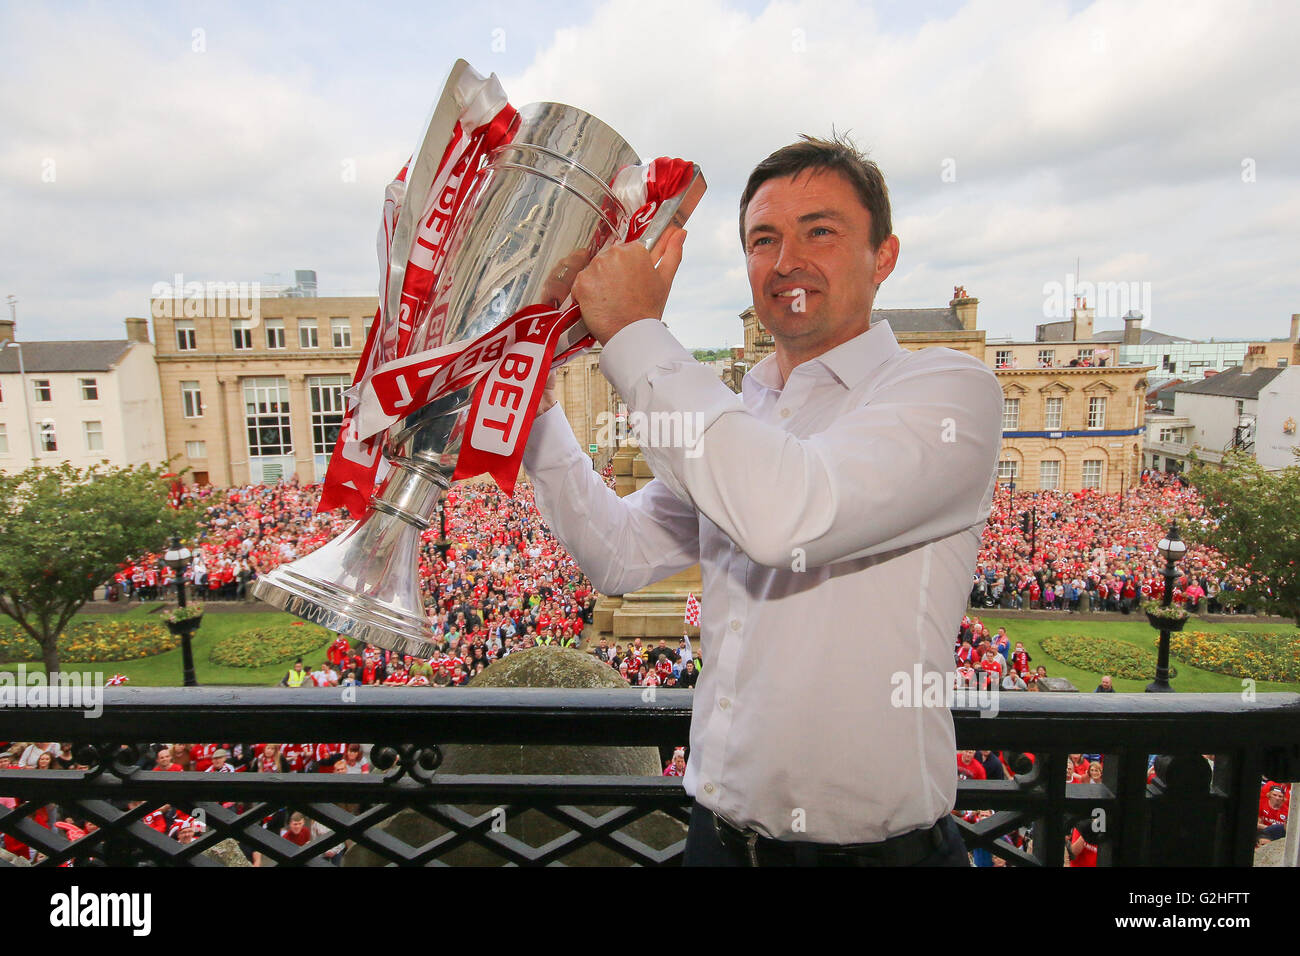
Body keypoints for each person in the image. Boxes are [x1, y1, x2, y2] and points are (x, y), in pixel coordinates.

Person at [522, 135, 1003, 866]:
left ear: (884, 258)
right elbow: (617, 554)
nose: (786, 262)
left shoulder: (948, 392)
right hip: (717, 838)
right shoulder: (748, 418)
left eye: (821, 232)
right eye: (763, 239)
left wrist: (636, 332)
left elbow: (787, 516)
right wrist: (528, 408)